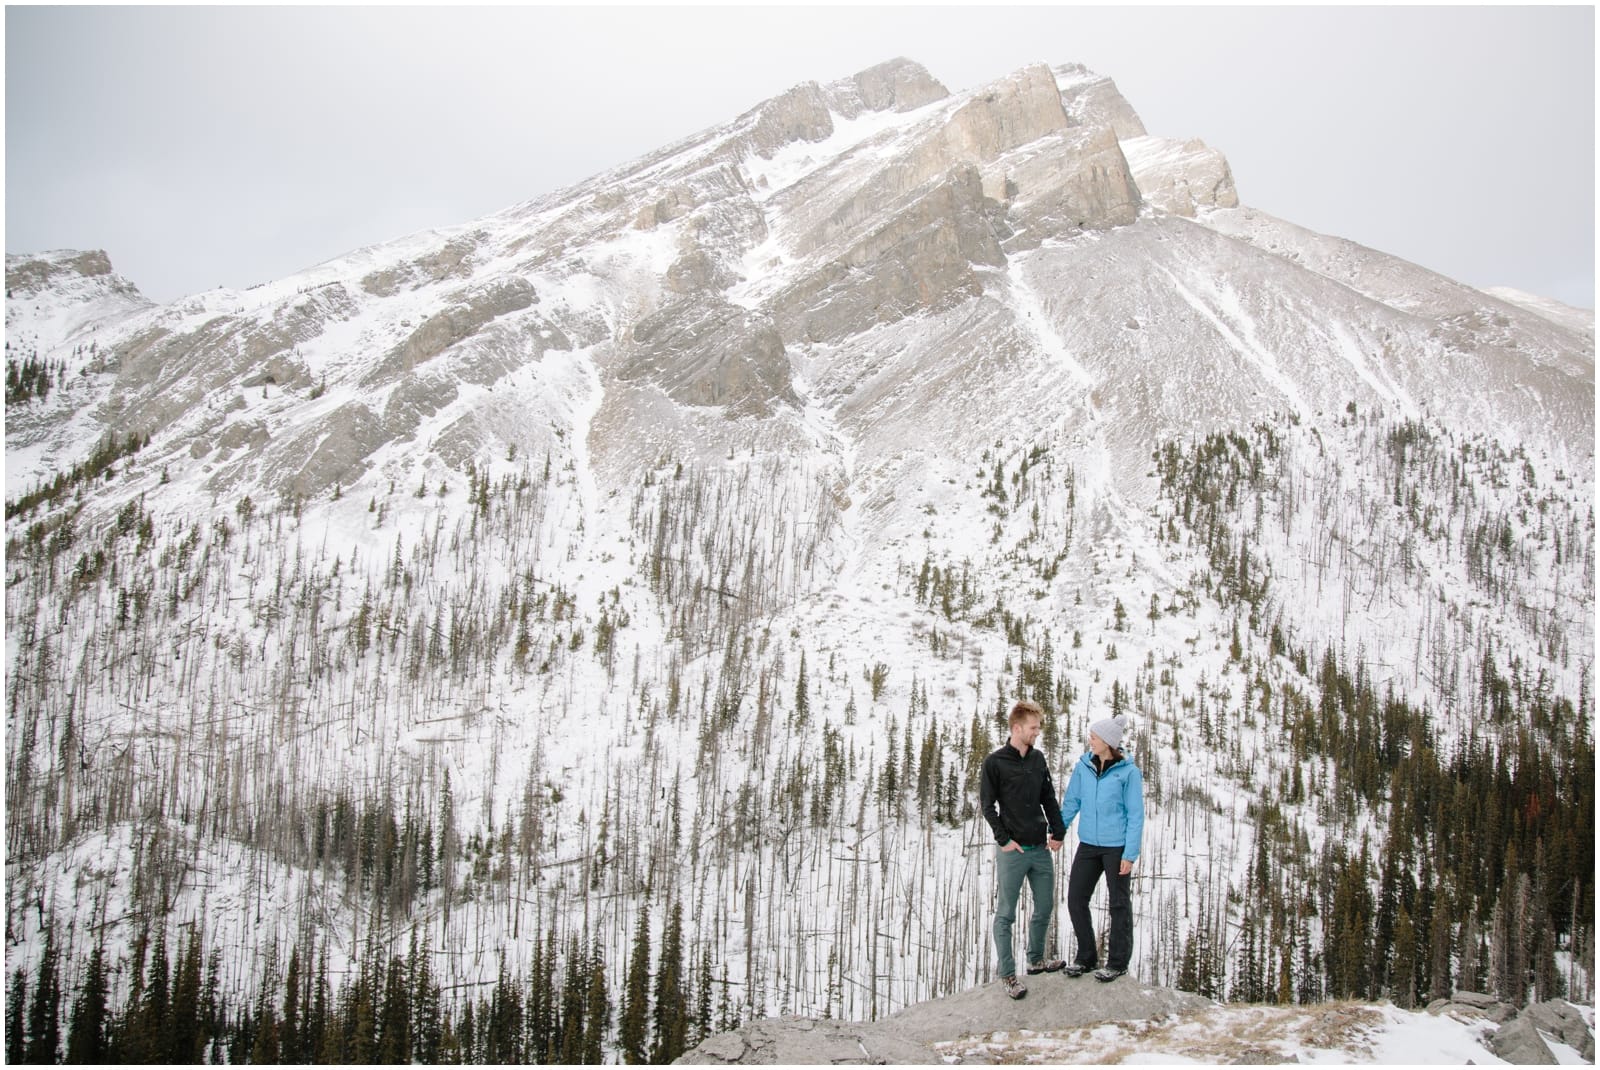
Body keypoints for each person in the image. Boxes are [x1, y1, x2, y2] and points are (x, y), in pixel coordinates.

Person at [979, 699, 1066, 1000]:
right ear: (1017, 728)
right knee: (1006, 914)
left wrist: (1058, 829)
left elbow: (1048, 797)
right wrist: (1003, 840)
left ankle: (1036, 959)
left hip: (1039, 847)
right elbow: (987, 807)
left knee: (1044, 906)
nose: (1037, 732)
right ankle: (1008, 975)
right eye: (1033, 728)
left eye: (1038, 727)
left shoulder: (1038, 759)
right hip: (1012, 851)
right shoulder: (994, 763)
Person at [1058, 713, 1145, 983]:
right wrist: (1058, 831)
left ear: (1108, 742)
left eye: (1094, 737)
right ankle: (1086, 957)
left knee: (1119, 904)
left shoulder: (1128, 772)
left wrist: (1129, 854)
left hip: (1116, 847)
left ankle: (1117, 963)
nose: (1090, 741)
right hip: (1088, 844)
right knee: (1075, 898)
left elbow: (1135, 815)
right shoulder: (1083, 766)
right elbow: (1072, 801)